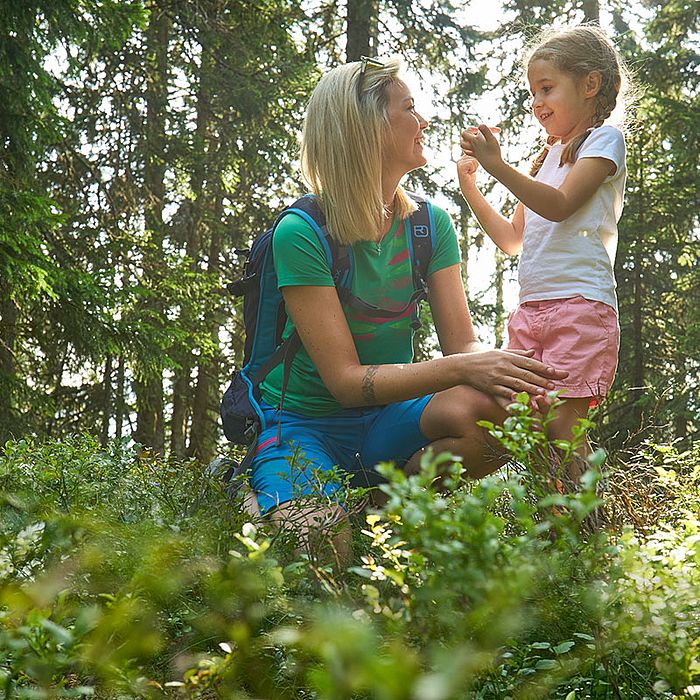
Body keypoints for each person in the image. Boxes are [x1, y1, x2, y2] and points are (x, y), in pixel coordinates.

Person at [250, 57, 567, 559]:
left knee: (507, 414)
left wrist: (501, 374)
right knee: (322, 548)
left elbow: (462, 345)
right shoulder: (301, 233)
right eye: (409, 108)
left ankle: (381, 511)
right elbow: (346, 383)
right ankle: (275, 490)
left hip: (385, 420)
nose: (424, 122)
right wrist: (466, 366)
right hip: (303, 425)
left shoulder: (428, 226)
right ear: (368, 128)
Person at [458, 25, 629, 477]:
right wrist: (472, 186)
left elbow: (558, 206)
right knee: (527, 423)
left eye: (547, 88)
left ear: (589, 85)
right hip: (532, 311)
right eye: (533, 92)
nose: (537, 102)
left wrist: (497, 165)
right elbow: (513, 239)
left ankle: (586, 539)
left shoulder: (603, 141)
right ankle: (557, 534)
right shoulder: (548, 156)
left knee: (562, 426)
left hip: (579, 306)